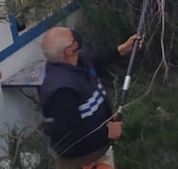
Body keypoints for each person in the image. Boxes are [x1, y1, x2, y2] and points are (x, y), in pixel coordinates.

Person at [38, 27, 142, 169]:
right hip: (81, 161)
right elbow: (71, 135)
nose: (76, 36)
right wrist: (107, 131)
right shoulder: (61, 90)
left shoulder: (77, 61)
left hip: (98, 152)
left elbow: (97, 58)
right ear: (68, 51)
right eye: (72, 38)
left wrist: (122, 50)